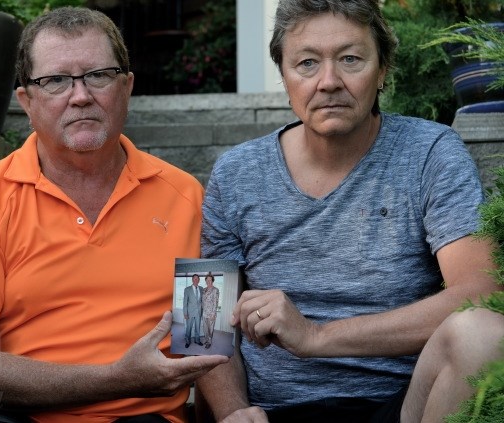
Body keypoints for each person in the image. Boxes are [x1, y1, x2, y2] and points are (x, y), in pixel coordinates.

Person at [0, 6, 228, 423]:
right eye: (56, 80)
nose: (80, 96)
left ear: (127, 86)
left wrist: (232, 412)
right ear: (27, 101)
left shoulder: (187, 196)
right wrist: (117, 378)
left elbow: (208, 344)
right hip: (11, 416)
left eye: (98, 75)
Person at [196, 1, 503, 422]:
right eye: (306, 63)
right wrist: (233, 411)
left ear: (382, 71)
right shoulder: (235, 173)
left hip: (405, 405)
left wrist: (317, 336)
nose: (328, 82)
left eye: (350, 59)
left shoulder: (431, 153)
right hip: (275, 413)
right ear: (284, 75)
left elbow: (482, 292)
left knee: (482, 332)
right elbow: (201, 324)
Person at [182, 274, 204, 348]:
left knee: (198, 327)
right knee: (189, 327)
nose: (196, 280)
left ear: (199, 280)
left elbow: (202, 301)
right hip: (190, 312)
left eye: (197, 279)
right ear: (192, 280)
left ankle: (197, 340)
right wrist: (185, 313)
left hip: (198, 312)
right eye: (194, 279)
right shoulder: (187, 289)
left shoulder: (201, 288)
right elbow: (185, 302)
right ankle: (188, 341)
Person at [202, 273, 220, 349]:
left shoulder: (215, 290)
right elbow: (202, 301)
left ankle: (209, 342)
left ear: (212, 281)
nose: (208, 281)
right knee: (205, 328)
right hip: (204, 313)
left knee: (210, 329)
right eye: (207, 280)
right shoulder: (204, 289)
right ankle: (206, 339)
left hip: (211, 313)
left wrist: (213, 314)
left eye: (210, 280)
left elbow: (215, 303)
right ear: (205, 281)